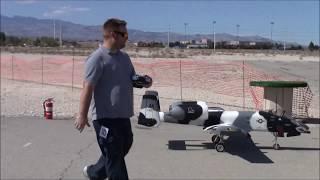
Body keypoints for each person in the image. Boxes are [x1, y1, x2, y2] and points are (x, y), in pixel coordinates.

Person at [74, 18, 152, 180]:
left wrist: (144, 81)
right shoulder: (97, 58)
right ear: (112, 34)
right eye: (124, 34)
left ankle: (94, 173)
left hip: (123, 116)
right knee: (115, 158)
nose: (127, 38)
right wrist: (82, 114)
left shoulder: (124, 58)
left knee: (124, 146)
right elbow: (87, 87)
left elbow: (131, 78)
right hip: (104, 118)